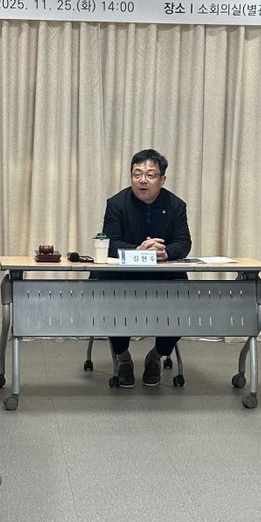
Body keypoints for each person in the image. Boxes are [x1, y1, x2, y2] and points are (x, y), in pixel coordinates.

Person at [101, 149, 192, 387]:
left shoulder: (176, 205)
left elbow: (184, 242)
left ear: (162, 179)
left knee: (184, 302)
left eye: (150, 175)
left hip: (163, 275)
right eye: (137, 174)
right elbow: (110, 244)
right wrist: (138, 251)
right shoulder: (116, 204)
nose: (142, 180)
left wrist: (165, 252)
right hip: (123, 276)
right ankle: (123, 358)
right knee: (108, 299)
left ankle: (157, 355)